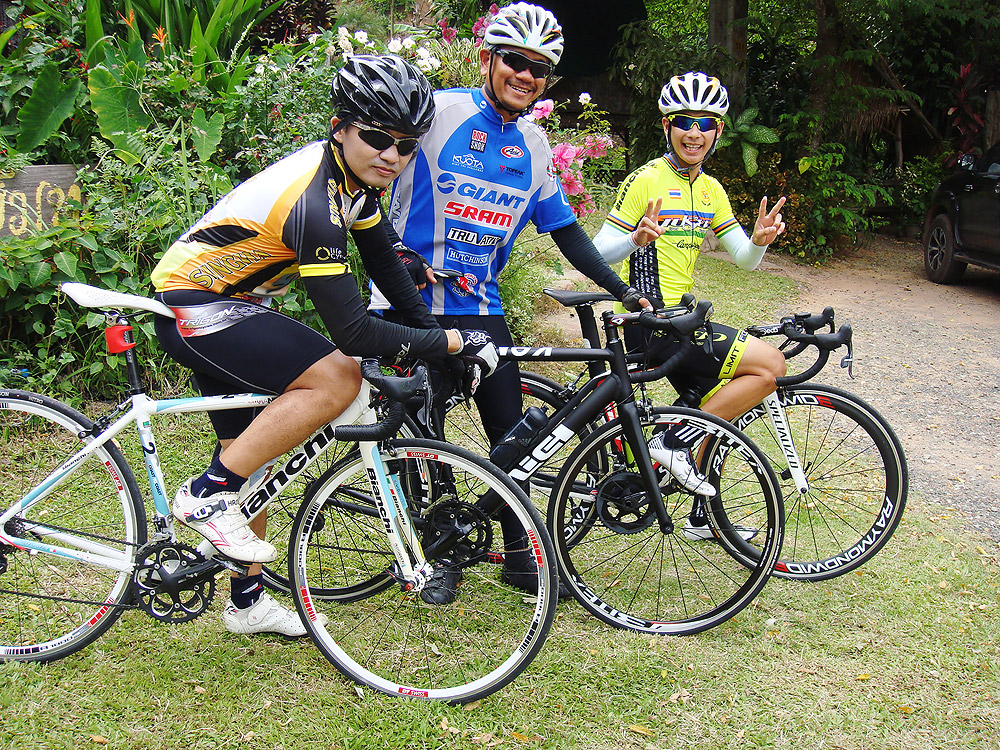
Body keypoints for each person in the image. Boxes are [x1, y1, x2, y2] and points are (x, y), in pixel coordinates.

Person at [150, 55, 498, 636]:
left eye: (406, 146)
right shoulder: (315, 202)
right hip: (197, 306)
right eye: (378, 138)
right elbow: (354, 334)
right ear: (340, 127)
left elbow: (389, 270)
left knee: (252, 454)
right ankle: (206, 494)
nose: (391, 155)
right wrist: (452, 341)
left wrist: (436, 343)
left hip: (232, 304)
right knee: (338, 377)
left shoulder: (353, 185)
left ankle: (246, 603)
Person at [369, 2, 651, 603]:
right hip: (408, 302)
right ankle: (436, 552)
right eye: (514, 61)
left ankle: (521, 553)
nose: (525, 75)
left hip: (480, 306)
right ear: (487, 59)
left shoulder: (536, 144)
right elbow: (366, 182)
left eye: (538, 68)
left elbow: (567, 231)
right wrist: (396, 252)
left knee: (514, 432)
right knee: (423, 434)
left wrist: (625, 290)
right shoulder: (437, 111)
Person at [592, 71, 788, 537]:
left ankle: (703, 514)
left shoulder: (712, 189)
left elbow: (743, 259)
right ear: (667, 126)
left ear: (718, 131)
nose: (694, 132)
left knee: (715, 403)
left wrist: (759, 241)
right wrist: (635, 239)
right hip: (650, 320)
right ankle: (671, 441)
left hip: (681, 319)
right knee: (770, 365)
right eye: (684, 121)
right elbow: (597, 251)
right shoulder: (646, 179)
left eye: (705, 123)